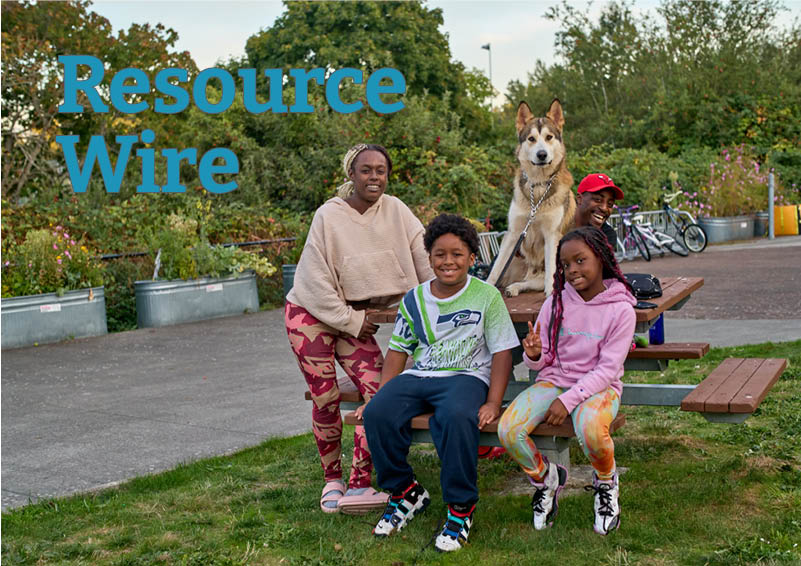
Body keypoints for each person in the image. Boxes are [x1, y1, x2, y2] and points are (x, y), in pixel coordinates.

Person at [284, 143, 434, 515]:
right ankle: (331, 479)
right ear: (350, 174)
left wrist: (444, 296)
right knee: (326, 397)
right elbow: (315, 281)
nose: (374, 177)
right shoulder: (329, 215)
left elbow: (423, 256)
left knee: (379, 393)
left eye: (381, 171)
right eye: (366, 170)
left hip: (354, 321)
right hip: (311, 315)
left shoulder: (397, 211)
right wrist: (352, 320)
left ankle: (359, 484)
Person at [358, 213, 519, 552]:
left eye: (457, 254)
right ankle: (405, 492)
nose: (448, 261)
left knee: (456, 418)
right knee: (378, 414)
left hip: (466, 377)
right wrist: (380, 395)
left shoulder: (487, 296)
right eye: (440, 254)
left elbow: (503, 352)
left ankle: (461, 508)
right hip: (421, 374)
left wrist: (492, 402)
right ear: (429, 257)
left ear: (472, 258)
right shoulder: (414, 299)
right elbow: (398, 350)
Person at [497, 226, 636, 535]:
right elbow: (544, 359)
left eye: (580, 260)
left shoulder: (622, 310)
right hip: (554, 381)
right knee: (508, 430)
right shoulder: (556, 302)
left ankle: (606, 482)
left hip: (600, 387)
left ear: (600, 258)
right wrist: (534, 354)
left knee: (590, 430)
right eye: (565, 264)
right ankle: (546, 478)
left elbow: (608, 370)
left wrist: (568, 400)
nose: (572, 270)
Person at [574, 173, 624, 249]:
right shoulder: (556, 226)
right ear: (579, 199)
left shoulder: (606, 236)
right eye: (598, 200)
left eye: (610, 204)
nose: (604, 208)